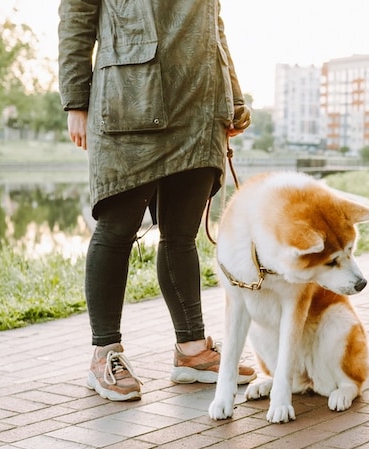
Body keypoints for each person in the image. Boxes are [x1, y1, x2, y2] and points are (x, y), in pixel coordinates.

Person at [59, 0, 256, 402]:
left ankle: (192, 352)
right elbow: (77, 18)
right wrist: (76, 100)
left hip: (200, 105)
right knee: (115, 230)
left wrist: (233, 97)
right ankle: (105, 354)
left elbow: (215, 28)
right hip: (130, 101)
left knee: (181, 236)